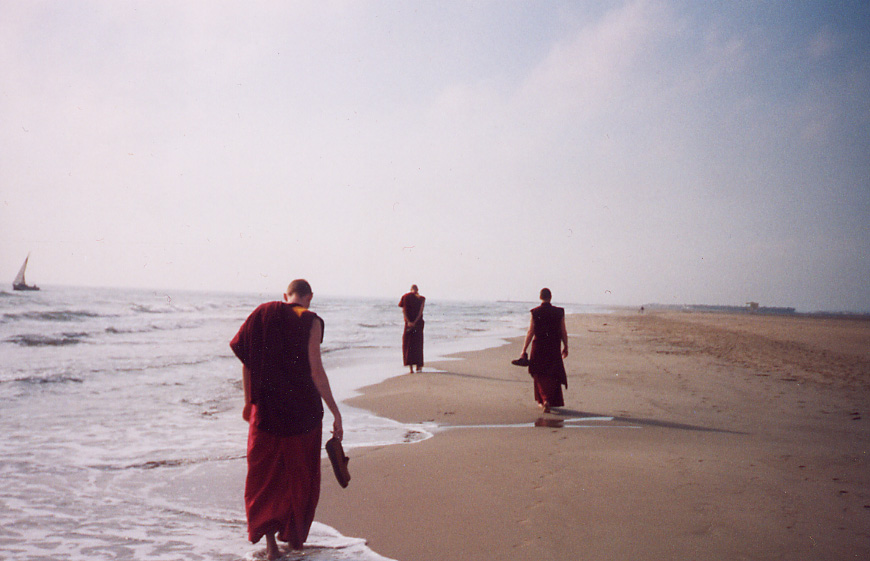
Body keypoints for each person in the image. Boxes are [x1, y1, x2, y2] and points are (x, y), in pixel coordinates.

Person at [230, 279, 343, 560]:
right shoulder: (312, 321)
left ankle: (271, 549)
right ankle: (295, 542)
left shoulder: (262, 313)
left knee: (263, 479)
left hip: (264, 411)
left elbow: (247, 361)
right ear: (310, 297)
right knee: (300, 477)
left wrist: (248, 402)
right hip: (302, 413)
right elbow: (316, 371)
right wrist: (335, 412)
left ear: (286, 295)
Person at [520, 288, 568, 413]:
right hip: (553, 346)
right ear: (550, 297)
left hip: (539, 346)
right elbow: (563, 330)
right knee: (552, 373)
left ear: (540, 297)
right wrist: (566, 346)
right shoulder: (559, 312)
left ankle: (544, 400)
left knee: (538, 373)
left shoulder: (535, 312)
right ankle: (549, 400)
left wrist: (524, 349)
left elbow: (531, 331)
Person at [398, 284, 426, 373]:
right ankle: (418, 366)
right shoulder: (421, 298)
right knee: (418, 345)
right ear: (417, 290)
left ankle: (411, 368)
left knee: (408, 345)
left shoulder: (405, 297)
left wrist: (409, 322)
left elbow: (403, 311)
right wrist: (415, 322)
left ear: (411, 289)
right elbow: (421, 311)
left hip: (408, 324)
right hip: (417, 324)